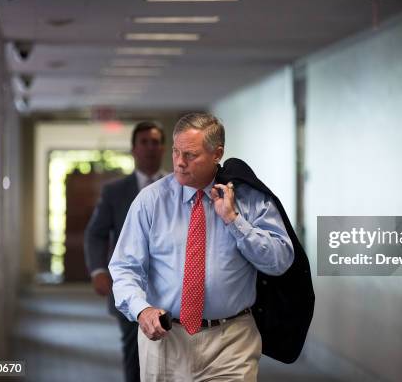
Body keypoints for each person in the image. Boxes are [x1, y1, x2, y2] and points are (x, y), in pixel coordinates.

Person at [109, 113, 295, 381]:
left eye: (191, 155)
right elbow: (125, 267)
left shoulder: (249, 200)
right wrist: (142, 309)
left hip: (231, 341)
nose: (179, 163)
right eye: (175, 152)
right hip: (166, 340)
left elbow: (279, 261)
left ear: (217, 153)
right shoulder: (150, 201)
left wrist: (234, 220)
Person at [84, 121, 166, 382]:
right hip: (130, 286)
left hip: (170, 286)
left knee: (171, 353)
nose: (150, 148)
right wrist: (98, 270)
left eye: (155, 142)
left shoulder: (176, 186)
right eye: (144, 142)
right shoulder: (115, 191)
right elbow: (95, 233)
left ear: (164, 148)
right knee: (136, 354)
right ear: (133, 149)